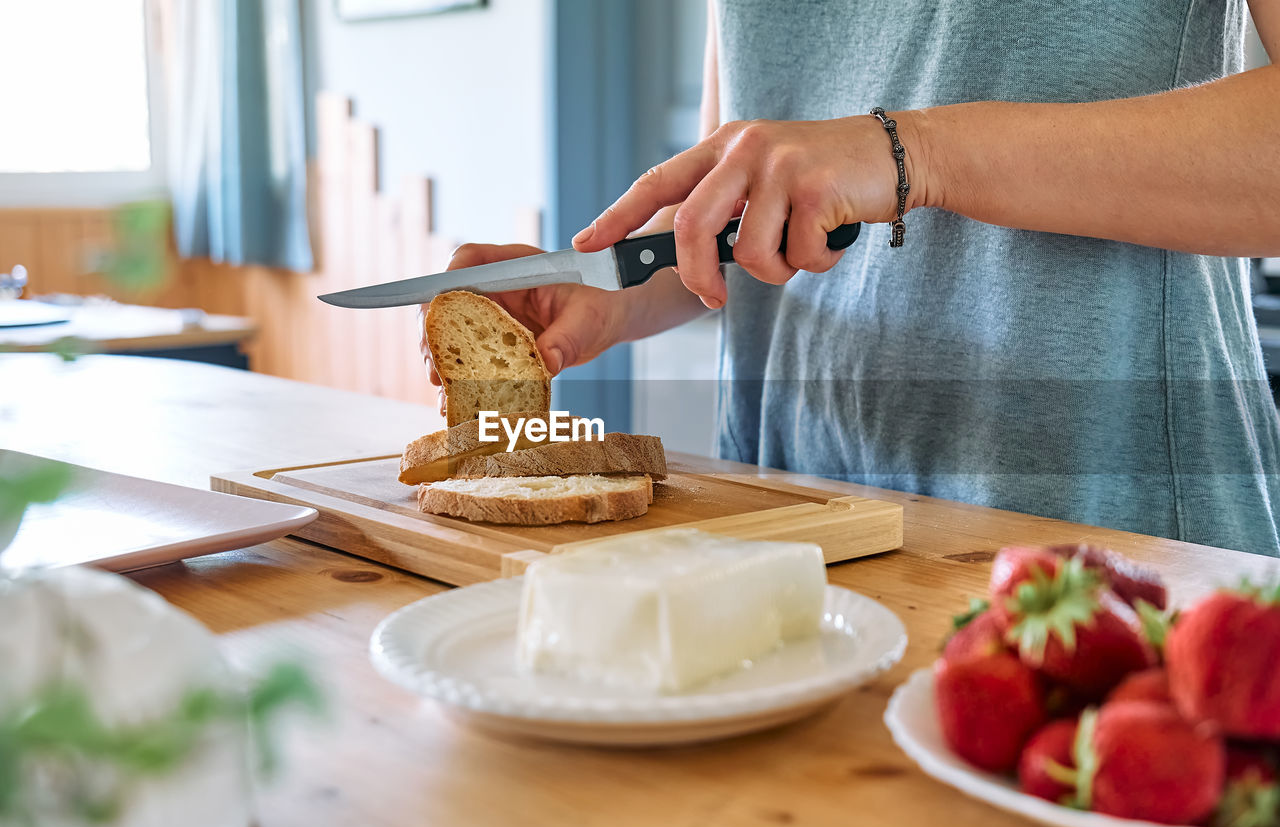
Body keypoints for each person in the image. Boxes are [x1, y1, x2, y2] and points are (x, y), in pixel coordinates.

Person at [425, 1, 1280, 555]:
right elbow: (744, 213)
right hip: (794, 528)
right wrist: (609, 294)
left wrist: (918, 152)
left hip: (1105, 539)